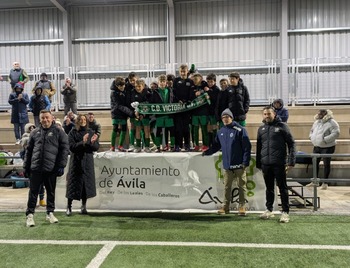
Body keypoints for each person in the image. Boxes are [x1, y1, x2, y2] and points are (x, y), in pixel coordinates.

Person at [23, 110, 69, 227]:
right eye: (42, 118)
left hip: (51, 168)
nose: (45, 120)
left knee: (51, 192)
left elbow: (64, 150)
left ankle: (50, 213)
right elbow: (29, 151)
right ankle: (30, 215)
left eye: (47, 117)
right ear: (39, 119)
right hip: (36, 168)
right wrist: (26, 167)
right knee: (33, 192)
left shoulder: (59, 132)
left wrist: (61, 165)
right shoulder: (34, 132)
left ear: (52, 118)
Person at [203, 108, 251, 215]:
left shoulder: (240, 130)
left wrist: (245, 162)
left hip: (239, 165)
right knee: (227, 187)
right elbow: (216, 146)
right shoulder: (221, 132)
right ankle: (225, 207)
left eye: (227, 117)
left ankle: (242, 207)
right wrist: (207, 152)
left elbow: (247, 147)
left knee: (241, 186)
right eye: (223, 117)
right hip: (227, 165)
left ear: (231, 117)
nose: (225, 119)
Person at [256, 106, 296, 223]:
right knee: (269, 188)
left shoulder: (283, 126)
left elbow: (292, 144)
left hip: (279, 164)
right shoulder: (261, 129)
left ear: (274, 114)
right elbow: (259, 147)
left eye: (269, 114)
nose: (267, 116)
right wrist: (259, 163)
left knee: (282, 188)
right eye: (265, 114)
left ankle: (285, 212)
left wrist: (291, 161)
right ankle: (269, 210)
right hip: (266, 164)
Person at [66, 114, 99, 216]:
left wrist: (92, 143)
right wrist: (83, 142)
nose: (83, 121)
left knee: (85, 185)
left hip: (87, 162)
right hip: (76, 162)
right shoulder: (73, 132)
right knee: (73, 185)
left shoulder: (91, 132)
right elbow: (71, 147)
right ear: (77, 121)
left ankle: (83, 206)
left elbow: (96, 147)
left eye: (84, 119)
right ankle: (69, 207)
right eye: (80, 119)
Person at [308, 109, 340, 190]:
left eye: (321, 113)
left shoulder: (332, 122)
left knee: (326, 164)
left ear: (325, 114)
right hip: (317, 146)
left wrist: (325, 140)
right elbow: (311, 131)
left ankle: (325, 183)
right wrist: (311, 137)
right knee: (315, 163)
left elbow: (336, 133)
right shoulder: (316, 122)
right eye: (318, 113)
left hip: (327, 146)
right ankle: (315, 181)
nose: (319, 115)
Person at [149, 74, 175, 152]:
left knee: (172, 130)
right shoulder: (155, 92)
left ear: (166, 82)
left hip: (169, 115)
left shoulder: (170, 90)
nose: (162, 83)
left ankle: (172, 146)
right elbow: (151, 102)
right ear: (158, 82)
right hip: (159, 115)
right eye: (161, 81)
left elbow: (174, 99)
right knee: (158, 131)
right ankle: (158, 147)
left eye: (164, 81)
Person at [110, 76, 134, 151]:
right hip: (116, 113)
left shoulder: (126, 89)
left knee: (124, 129)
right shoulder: (113, 93)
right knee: (115, 128)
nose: (122, 87)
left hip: (124, 114)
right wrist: (130, 113)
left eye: (123, 85)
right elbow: (118, 105)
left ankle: (120, 146)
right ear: (117, 86)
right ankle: (112, 146)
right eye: (120, 86)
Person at [173, 64, 193, 152]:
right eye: (181, 71)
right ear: (179, 72)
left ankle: (187, 145)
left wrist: (186, 101)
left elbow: (192, 93)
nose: (182, 73)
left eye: (184, 71)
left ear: (187, 71)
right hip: (177, 108)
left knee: (186, 128)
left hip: (187, 108)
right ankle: (177, 145)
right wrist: (178, 101)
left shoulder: (190, 81)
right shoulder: (176, 80)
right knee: (178, 128)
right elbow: (173, 93)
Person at [130, 79, 152, 153]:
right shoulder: (133, 93)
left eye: (139, 86)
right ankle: (138, 146)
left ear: (143, 86)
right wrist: (136, 112)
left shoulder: (148, 92)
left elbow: (148, 104)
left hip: (146, 115)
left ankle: (147, 146)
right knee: (138, 130)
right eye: (136, 86)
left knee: (147, 130)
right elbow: (132, 103)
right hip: (137, 115)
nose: (137, 88)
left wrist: (143, 113)